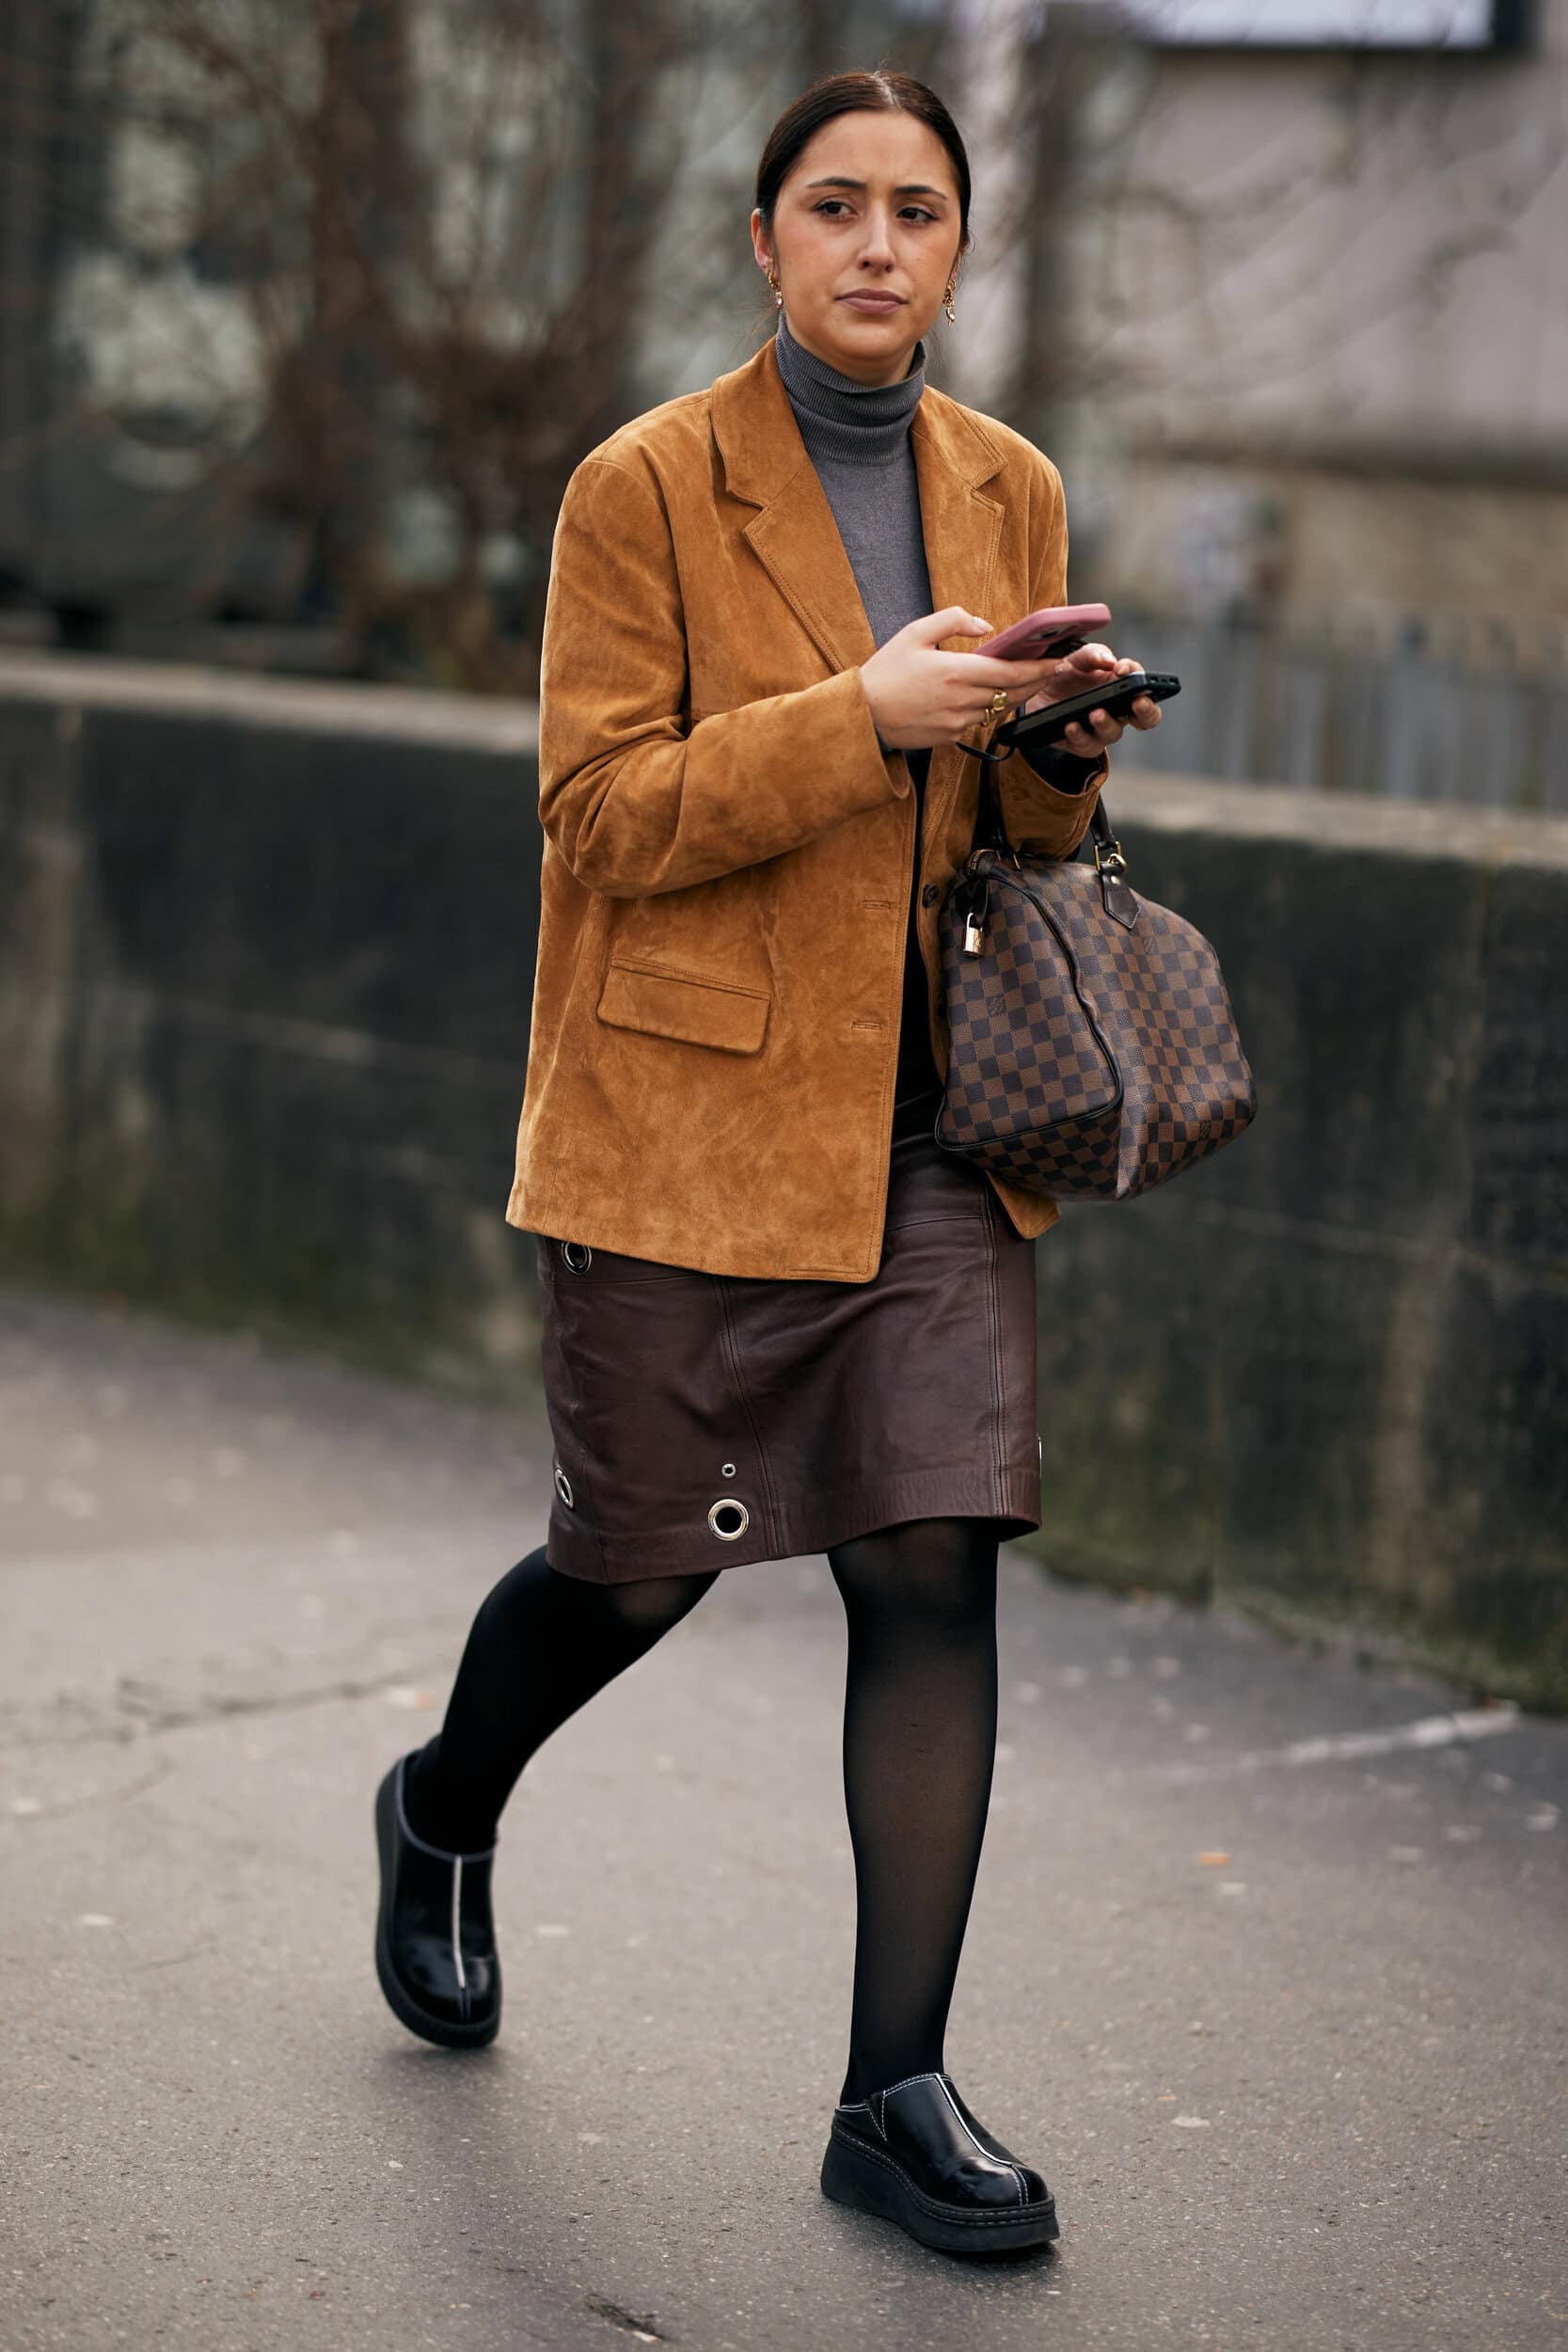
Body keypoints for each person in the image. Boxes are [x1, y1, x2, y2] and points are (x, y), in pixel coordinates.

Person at [374, 69, 1162, 2259]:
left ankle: (889, 2088)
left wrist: (1056, 758)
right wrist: (867, 720)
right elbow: (603, 815)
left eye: (920, 208)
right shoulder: (641, 484)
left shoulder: (1007, 481)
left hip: (927, 1128)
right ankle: (442, 1809)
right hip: (688, 1122)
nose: (879, 244)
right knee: (640, 1566)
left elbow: (1004, 832)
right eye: (836, 204)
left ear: (961, 245)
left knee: (933, 1557)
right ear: (763, 236)